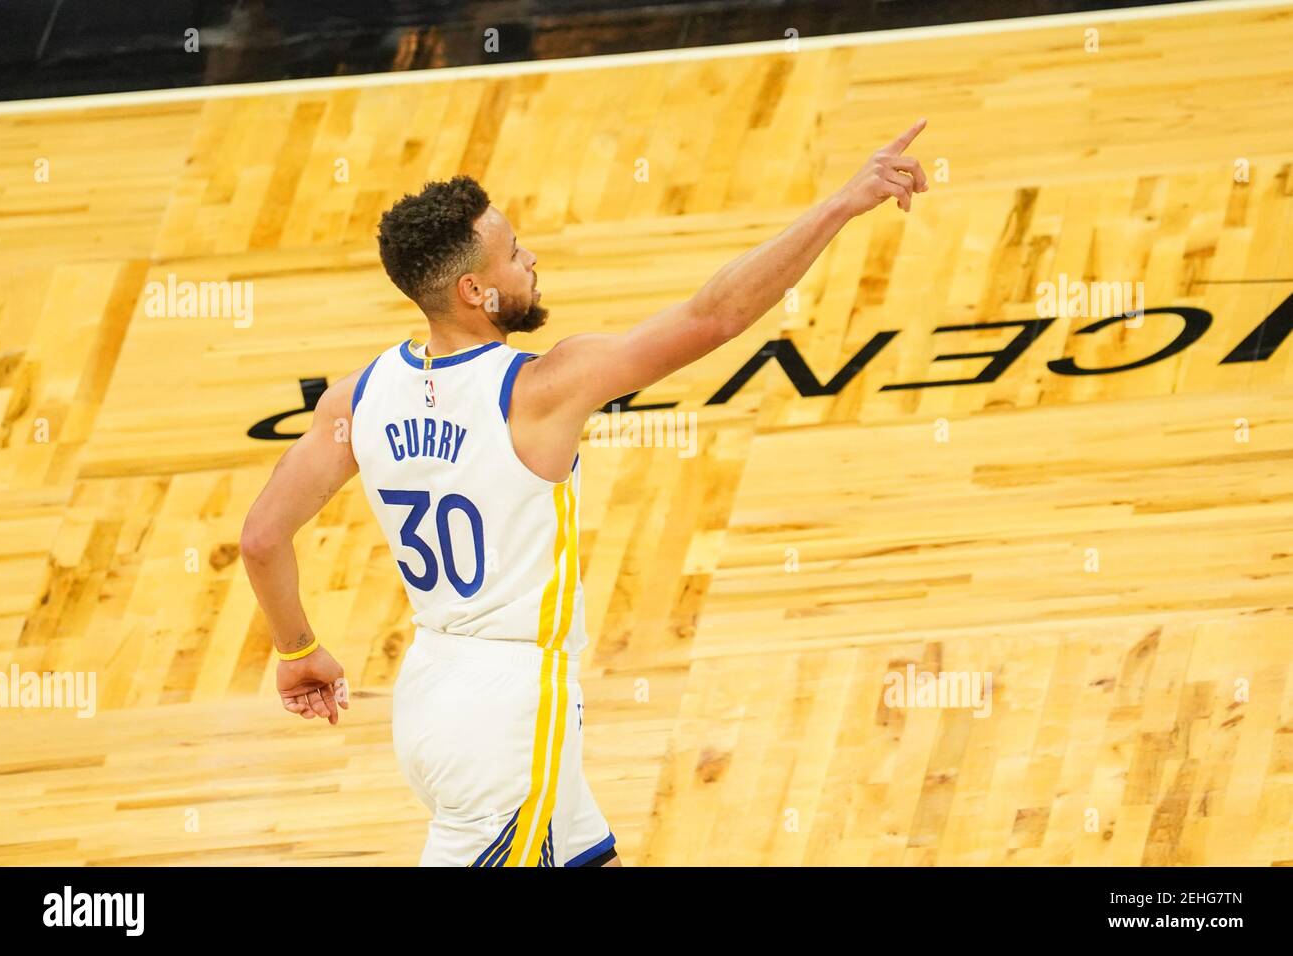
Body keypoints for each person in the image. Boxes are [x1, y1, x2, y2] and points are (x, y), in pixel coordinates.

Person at [240, 119, 929, 866]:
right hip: (509, 714)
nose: (530, 259)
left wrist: (298, 648)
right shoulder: (539, 389)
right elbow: (717, 317)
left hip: (434, 693)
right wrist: (839, 206)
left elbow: (261, 539)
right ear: (475, 290)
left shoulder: (356, 400)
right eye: (513, 254)